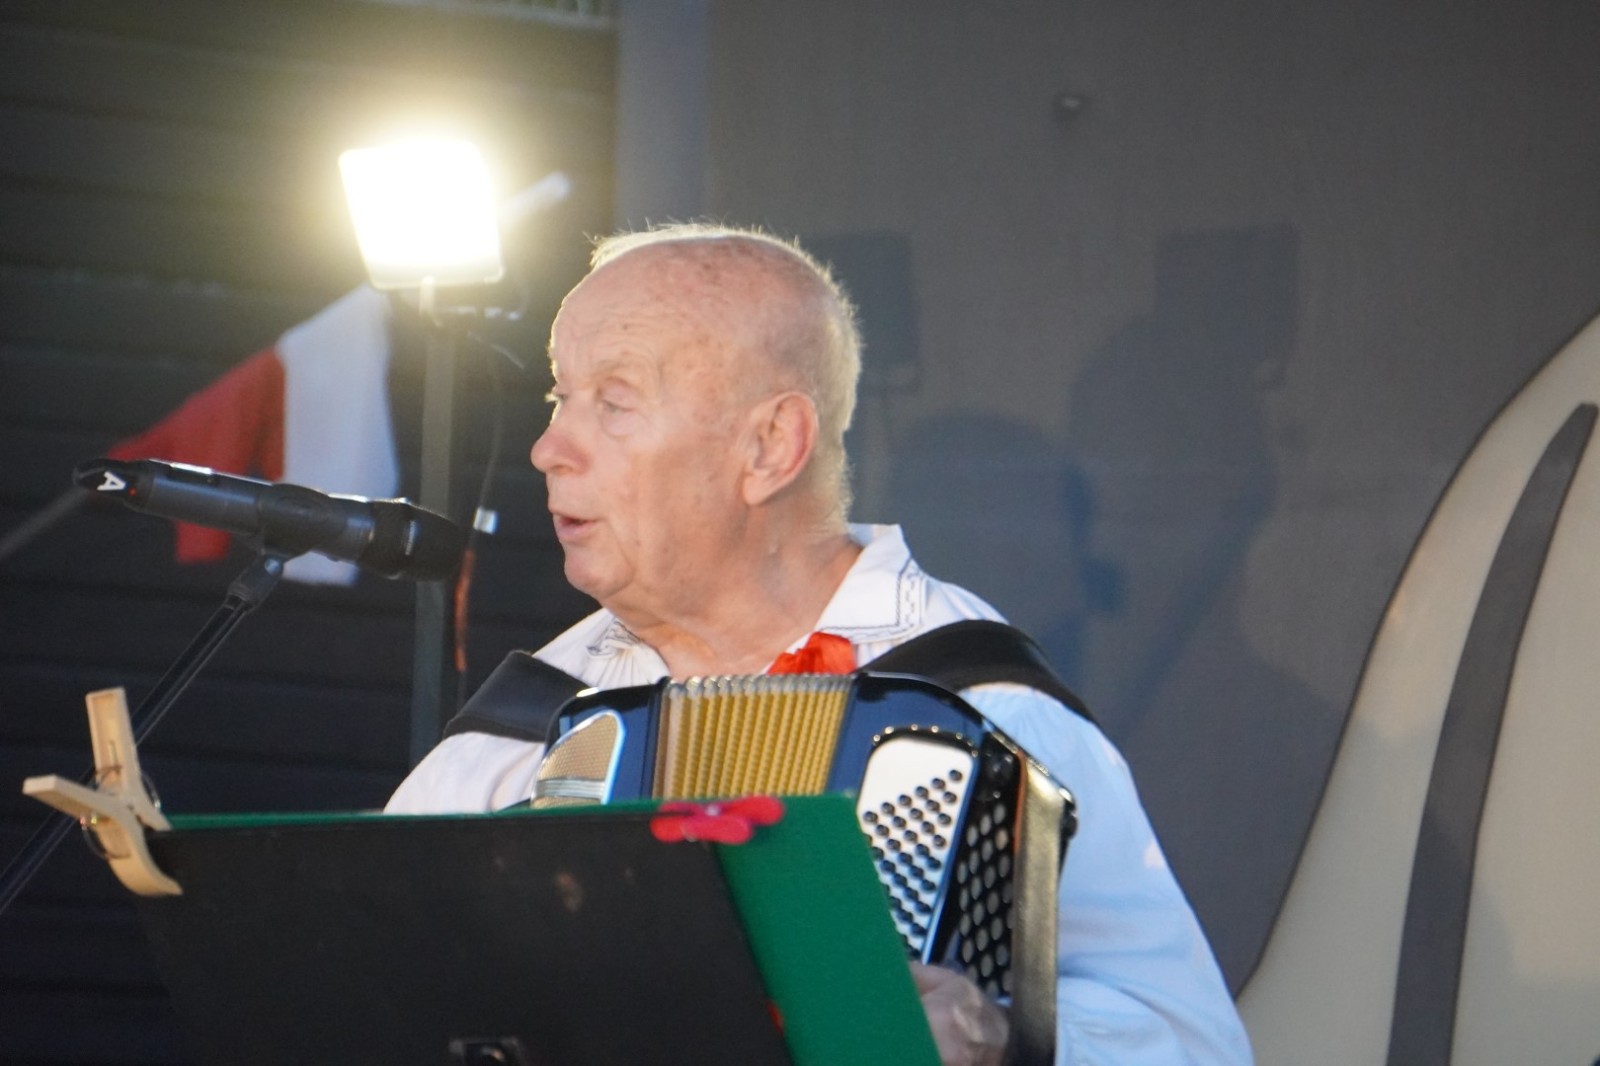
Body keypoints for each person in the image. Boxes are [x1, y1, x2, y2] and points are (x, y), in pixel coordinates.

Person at [388, 224, 1253, 1065]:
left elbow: (1195, 1047)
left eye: (613, 403)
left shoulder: (978, 704)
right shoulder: (531, 719)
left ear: (770, 446)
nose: (547, 449)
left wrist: (1000, 1041)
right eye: (559, 398)